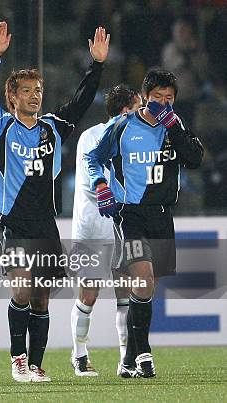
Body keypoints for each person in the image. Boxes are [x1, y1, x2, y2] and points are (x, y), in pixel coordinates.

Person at [0, 21, 109, 382]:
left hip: (44, 224)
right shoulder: (0, 127)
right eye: (26, 90)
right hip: (14, 224)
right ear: (13, 97)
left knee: (41, 298)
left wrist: (96, 66)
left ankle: (36, 364)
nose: (35, 95)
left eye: (38, 89)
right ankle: (18, 360)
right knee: (21, 288)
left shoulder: (52, 127)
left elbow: (81, 103)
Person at [85, 70, 203, 378]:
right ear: (145, 96)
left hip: (162, 214)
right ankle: (144, 353)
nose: (164, 104)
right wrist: (101, 186)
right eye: (157, 98)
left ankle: (127, 358)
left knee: (147, 288)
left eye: (170, 99)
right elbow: (93, 158)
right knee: (143, 277)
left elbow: (195, 159)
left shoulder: (174, 126)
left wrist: (175, 128)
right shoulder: (122, 126)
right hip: (131, 214)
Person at [70, 85, 142, 377]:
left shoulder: (136, 140)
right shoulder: (92, 136)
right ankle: (80, 355)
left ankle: (127, 359)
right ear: (125, 111)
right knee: (89, 295)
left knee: (125, 295)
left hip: (122, 225)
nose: (143, 114)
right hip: (93, 226)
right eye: (138, 108)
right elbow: (93, 180)